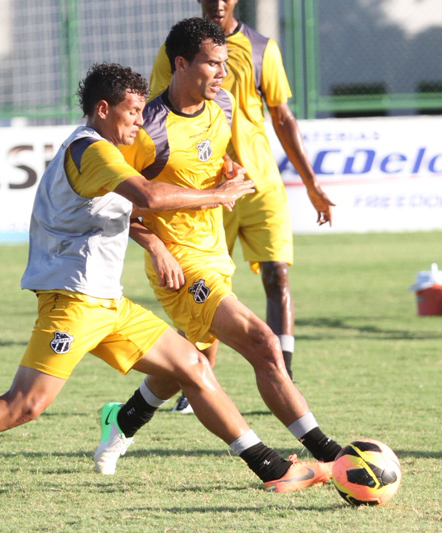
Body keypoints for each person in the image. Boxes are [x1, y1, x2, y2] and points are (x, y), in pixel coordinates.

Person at [0, 62, 331, 506]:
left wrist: (159, 239)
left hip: (107, 303)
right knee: (24, 405)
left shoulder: (108, 151)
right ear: (103, 110)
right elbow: (149, 196)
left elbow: (133, 211)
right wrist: (217, 195)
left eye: (143, 115)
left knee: (192, 365)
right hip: (72, 301)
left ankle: (270, 468)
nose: (139, 125)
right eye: (131, 114)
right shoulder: (92, 150)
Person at [93, 18, 342, 479]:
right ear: (182, 64)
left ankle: (123, 420)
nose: (223, 73)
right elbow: (111, 200)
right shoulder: (146, 127)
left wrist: (228, 172)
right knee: (262, 342)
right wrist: (154, 247)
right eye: (213, 63)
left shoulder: (222, 104)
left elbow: (210, 157)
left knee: (185, 360)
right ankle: (329, 452)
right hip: (180, 264)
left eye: (226, 63)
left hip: (214, 253)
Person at [151, 1, 335, 411]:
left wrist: (311, 183)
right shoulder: (176, 50)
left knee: (278, 276)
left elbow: (282, 116)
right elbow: (156, 119)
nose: (218, 3)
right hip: (203, 192)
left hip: (260, 183)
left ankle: (283, 373)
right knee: (211, 296)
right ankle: (193, 377)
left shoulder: (261, 48)